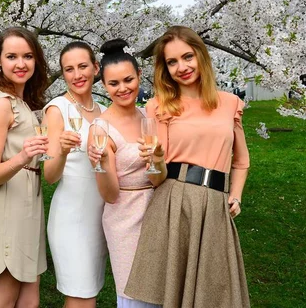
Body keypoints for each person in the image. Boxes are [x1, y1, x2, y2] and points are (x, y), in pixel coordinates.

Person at [124, 26, 250, 308]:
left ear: (200, 56)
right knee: (172, 296)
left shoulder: (230, 104)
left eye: (187, 57)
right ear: (165, 68)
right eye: (172, 62)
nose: (182, 67)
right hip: (174, 203)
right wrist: (155, 158)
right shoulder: (159, 106)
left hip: (215, 207)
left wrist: (236, 195)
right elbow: (157, 179)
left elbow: (241, 161)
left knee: (214, 293)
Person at [86, 39, 167, 308]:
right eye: (114, 83)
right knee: (135, 295)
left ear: (139, 76)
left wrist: (156, 158)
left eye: (128, 80)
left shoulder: (148, 117)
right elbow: (109, 195)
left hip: (157, 213)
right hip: (124, 218)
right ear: (104, 86)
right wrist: (101, 164)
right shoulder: (100, 129)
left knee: (163, 291)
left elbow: (157, 178)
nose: (123, 89)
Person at [0, 27, 50, 308]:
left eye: (28, 56)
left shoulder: (22, 102)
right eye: (12, 56)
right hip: (7, 207)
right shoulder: (1, 105)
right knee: (5, 296)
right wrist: (21, 158)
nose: (21, 64)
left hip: (28, 202)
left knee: (30, 296)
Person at [42, 42, 108, 308]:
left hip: (100, 217)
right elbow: (49, 175)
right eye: (69, 69)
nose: (77, 74)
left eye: (83, 66)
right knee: (81, 296)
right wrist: (63, 152)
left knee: (90, 291)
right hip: (71, 218)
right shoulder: (57, 109)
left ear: (95, 68)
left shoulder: (104, 110)